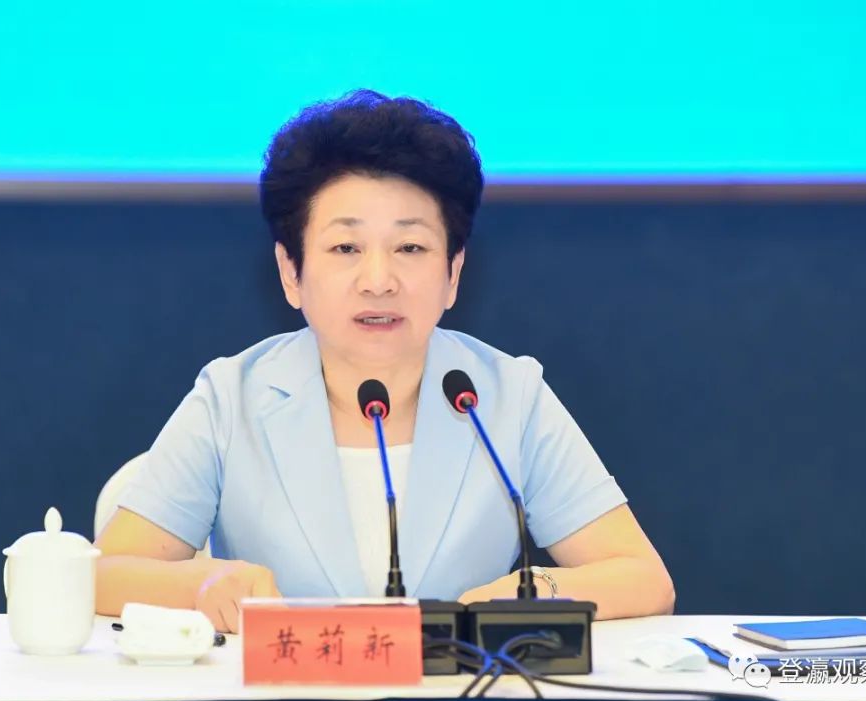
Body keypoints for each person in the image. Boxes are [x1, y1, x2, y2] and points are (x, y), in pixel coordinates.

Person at [95, 90, 674, 632]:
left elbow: (644, 579)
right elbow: (101, 574)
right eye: (346, 247)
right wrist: (202, 586)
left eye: (410, 247)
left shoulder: (507, 396)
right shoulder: (232, 398)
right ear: (291, 272)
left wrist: (531, 591)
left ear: (453, 273)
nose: (379, 280)